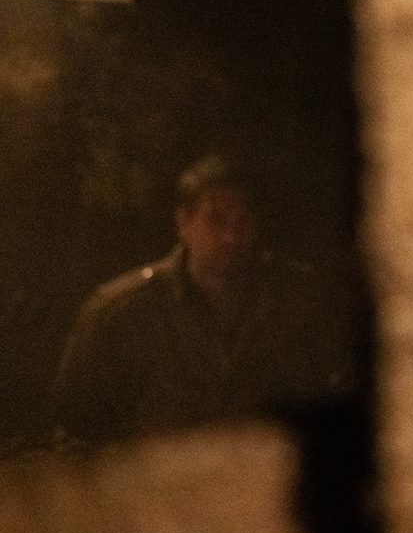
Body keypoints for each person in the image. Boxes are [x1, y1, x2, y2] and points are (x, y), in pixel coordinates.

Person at [54, 154, 356, 443]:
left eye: (243, 222)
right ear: (183, 223)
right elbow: (78, 430)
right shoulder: (121, 311)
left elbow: (338, 397)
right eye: (216, 220)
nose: (231, 236)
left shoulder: (300, 300)